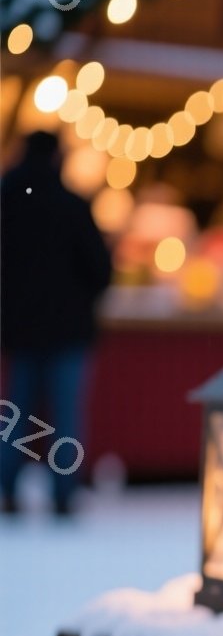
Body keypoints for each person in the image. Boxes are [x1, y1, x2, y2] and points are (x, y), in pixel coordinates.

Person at [0, 131, 114, 516]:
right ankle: (64, 494)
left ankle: (7, 490)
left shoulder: (8, 202)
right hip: (68, 329)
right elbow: (100, 270)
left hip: (19, 330)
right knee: (65, 415)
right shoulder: (72, 206)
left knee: (15, 415)